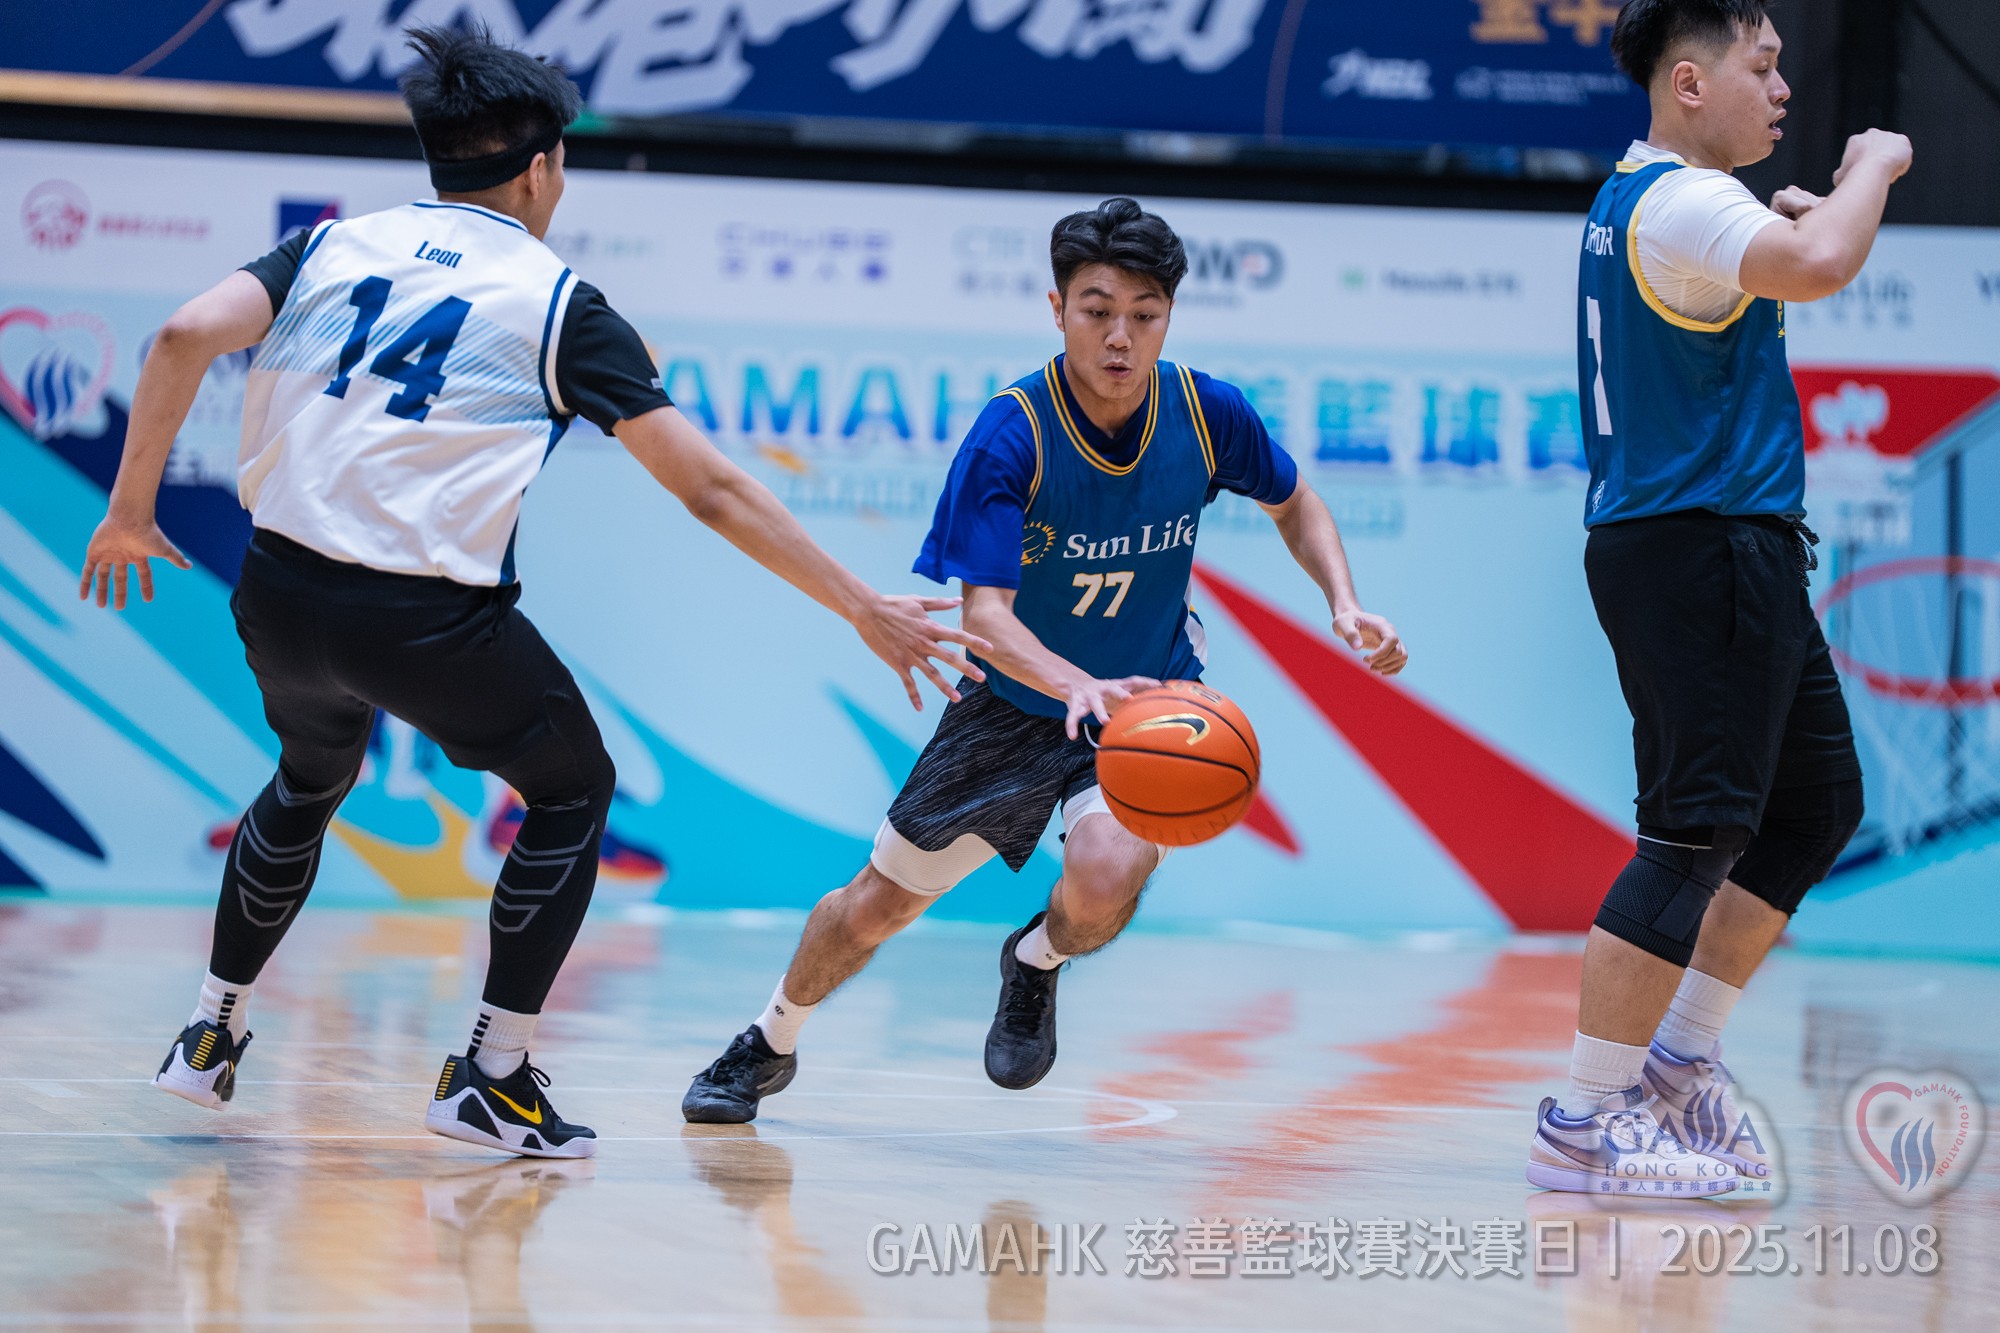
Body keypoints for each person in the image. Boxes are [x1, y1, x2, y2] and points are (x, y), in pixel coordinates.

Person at [79, 25, 984, 1160]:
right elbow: (709, 489)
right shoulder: (559, 303)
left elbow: (179, 334)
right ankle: (490, 1075)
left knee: (308, 779)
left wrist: (129, 513)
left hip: (278, 593)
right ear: (541, 168)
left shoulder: (329, 246)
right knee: (572, 789)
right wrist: (860, 604)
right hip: (422, 620)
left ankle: (209, 1035)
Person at [683, 197, 1407, 1124]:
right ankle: (770, 1038)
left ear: (1169, 318)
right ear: (1058, 309)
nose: (1120, 336)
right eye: (1097, 310)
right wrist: (1073, 683)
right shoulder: (1012, 433)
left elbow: (1295, 500)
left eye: (1144, 314)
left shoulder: (1204, 410)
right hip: (1014, 701)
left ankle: (1037, 959)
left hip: (1143, 700)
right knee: (874, 907)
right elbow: (985, 616)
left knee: (1105, 875)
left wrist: (1343, 601)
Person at [1531, 0, 1910, 1195]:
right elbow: (1822, 263)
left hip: (1721, 545)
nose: (1782, 87)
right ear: (1688, 84)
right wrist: (1872, 165)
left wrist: (1797, 216)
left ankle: (1675, 1063)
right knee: (1689, 836)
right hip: (1697, 548)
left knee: (1813, 807)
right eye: (1763, 64)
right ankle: (1581, 1121)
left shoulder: (1649, 199)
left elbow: (1768, 261)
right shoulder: (1684, 201)